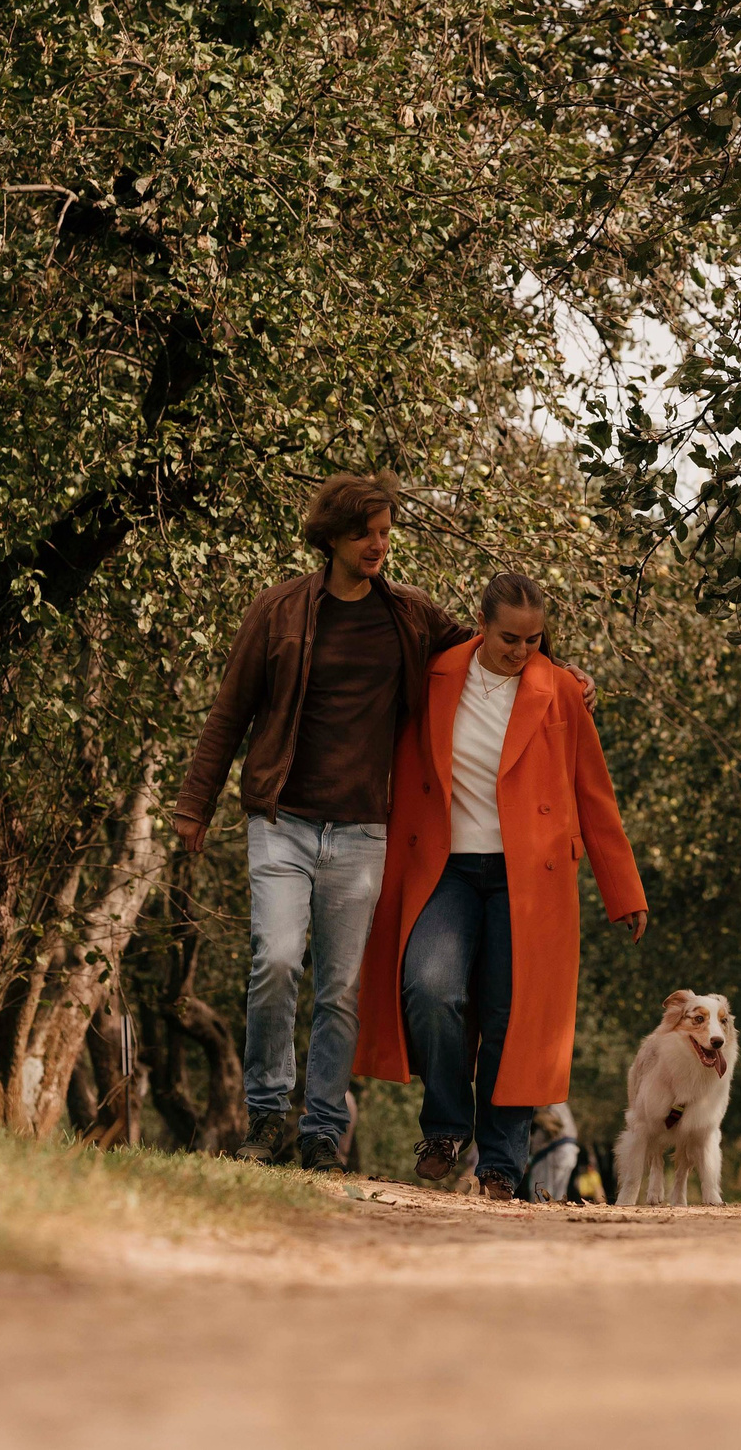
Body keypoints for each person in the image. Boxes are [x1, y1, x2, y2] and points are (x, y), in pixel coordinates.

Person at [171, 473, 474, 1170]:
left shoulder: (408, 614)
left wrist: (553, 664)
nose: (378, 544)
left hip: (363, 830)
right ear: (331, 535)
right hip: (283, 820)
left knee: (339, 987)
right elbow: (229, 711)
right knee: (275, 960)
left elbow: (479, 650)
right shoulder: (278, 610)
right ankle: (270, 1115)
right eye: (366, 531)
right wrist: (195, 802)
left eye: (386, 532)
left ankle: (322, 1128)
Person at [351, 573, 649, 1198]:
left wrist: (623, 890)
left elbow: (593, 794)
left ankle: (501, 1166)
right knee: (430, 988)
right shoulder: (435, 676)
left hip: (528, 877)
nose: (521, 652)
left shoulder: (561, 690)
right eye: (510, 638)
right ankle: (445, 1127)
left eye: (534, 640)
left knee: (513, 1018)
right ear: (481, 624)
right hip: (446, 868)